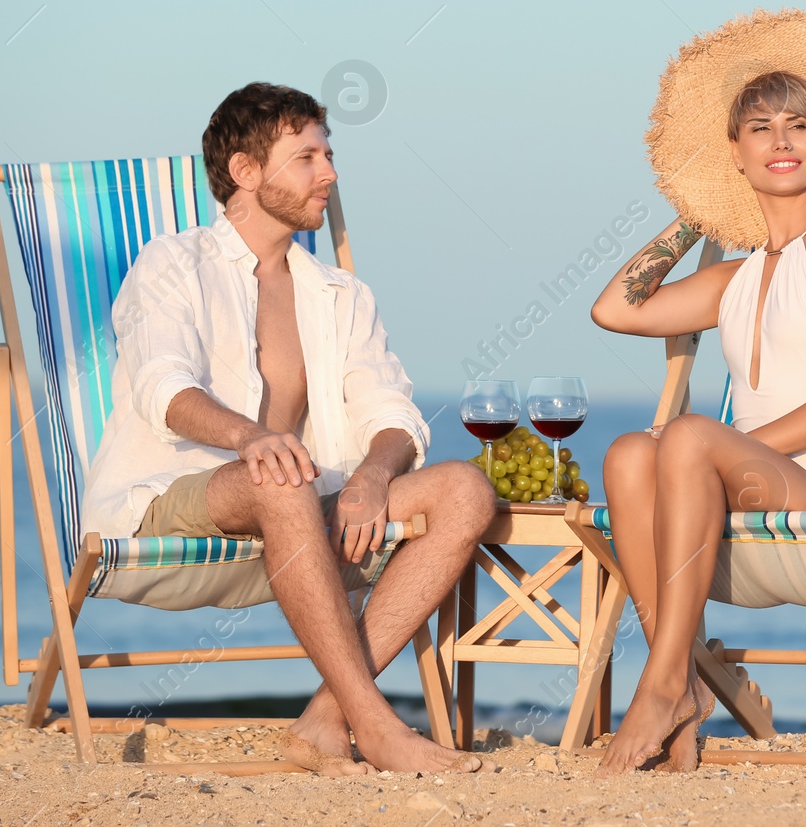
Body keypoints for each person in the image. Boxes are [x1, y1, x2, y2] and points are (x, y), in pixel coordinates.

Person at [83, 82, 496, 775]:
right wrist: (252, 437)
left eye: (327, 153)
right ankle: (379, 723)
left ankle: (326, 720)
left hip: (301, 516)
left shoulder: (340, 293)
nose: (329, 173)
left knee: (464, 490)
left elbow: (390, 410)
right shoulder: (172, 264)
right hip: (172, 501)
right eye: (306, 156)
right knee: (278, 474)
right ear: (245, 172)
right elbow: (164, 388)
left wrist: (370, 475)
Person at [589, 12, 806, 774]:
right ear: (737, 153)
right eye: (760, 128)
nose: (782, 140)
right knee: (632, 452)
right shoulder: (732, 278)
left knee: (689, 437)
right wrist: (690, 215)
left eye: (800, 125)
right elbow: (614, 308)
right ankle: (684, 686)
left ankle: (663, 682)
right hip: (740, 492)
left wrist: (730, 450)